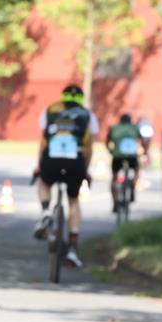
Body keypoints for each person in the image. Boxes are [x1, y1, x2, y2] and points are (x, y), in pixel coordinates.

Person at [32, 84, 99, 268]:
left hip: (51, 158)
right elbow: (89, 146)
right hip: (75, 160)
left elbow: (44, 142)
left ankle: (46, 211)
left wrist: (39, 165)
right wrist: (85, 169)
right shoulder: (87, 115)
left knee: (44, 183)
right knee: (74, 201)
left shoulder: (50, 110)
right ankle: (73, 249)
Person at [106, 113, 142, 212]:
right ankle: (133, 185)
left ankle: (115, 202)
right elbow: (142, 140)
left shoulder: (115, 128)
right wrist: (144, 151)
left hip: (117, 157)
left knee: (114, 177)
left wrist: (110, 150)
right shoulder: (134, 128)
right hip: (132, 157)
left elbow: (108, 140)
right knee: (137, 169)